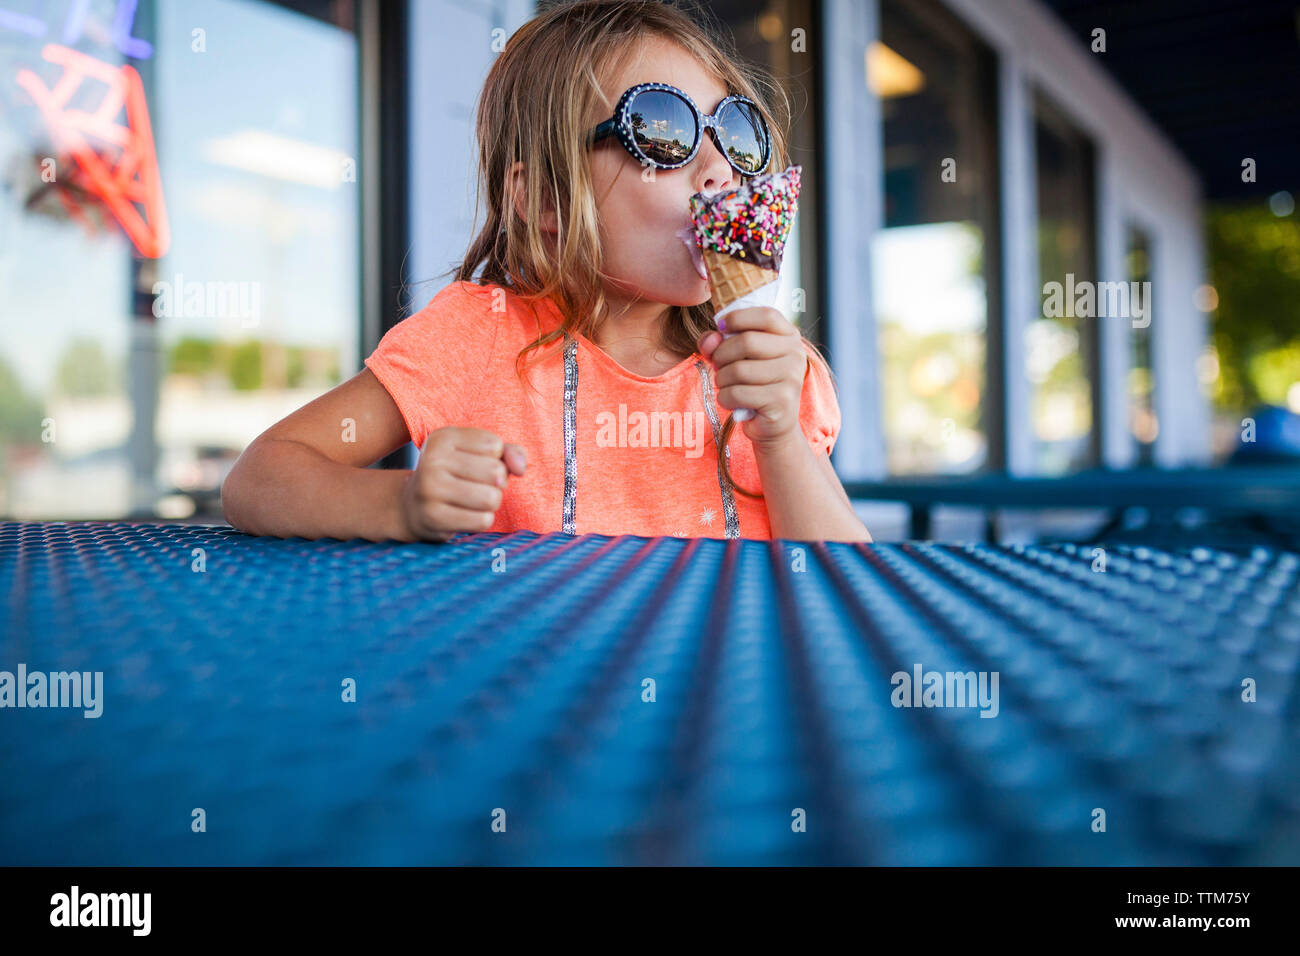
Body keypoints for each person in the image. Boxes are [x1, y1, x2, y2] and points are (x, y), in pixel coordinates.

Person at [222, 0, 870, 543]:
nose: (720, 169)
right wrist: (401, 503)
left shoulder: (775, 373)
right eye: (663, 131)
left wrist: (780, 434)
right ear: (545, 202)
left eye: (736, 132)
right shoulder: (480, 340)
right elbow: (261, 477)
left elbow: (848, 580)